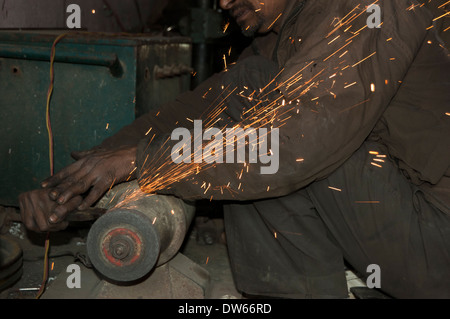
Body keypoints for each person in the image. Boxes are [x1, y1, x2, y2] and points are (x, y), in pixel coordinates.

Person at [19, 0, 450, 299]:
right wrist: (76, 180)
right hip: (412, 228)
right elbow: (193, 111)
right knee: (251, 95)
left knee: (267, 142)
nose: (224, 2)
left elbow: (295, 144)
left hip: (437, 245)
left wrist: (142, 161)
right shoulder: (288, 35)